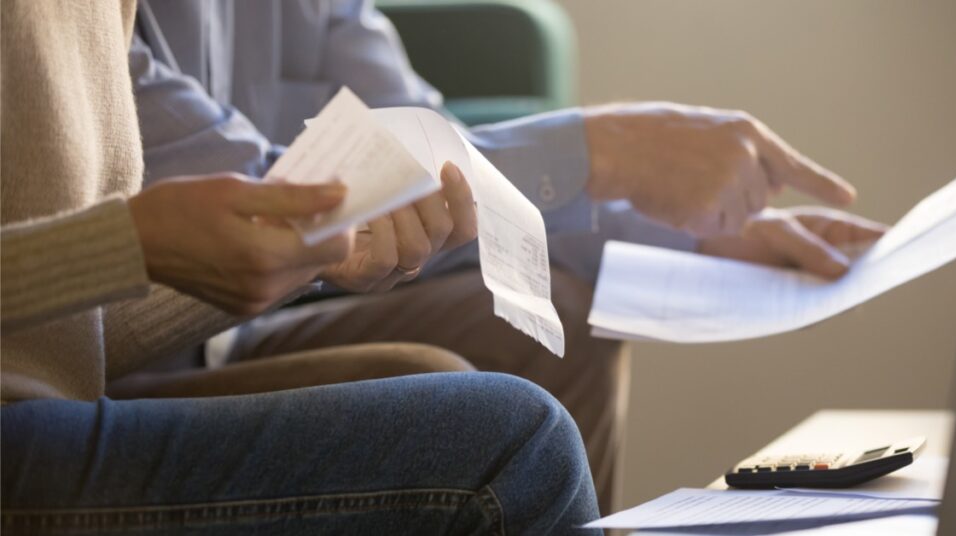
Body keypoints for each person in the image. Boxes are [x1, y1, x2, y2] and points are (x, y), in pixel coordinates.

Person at [124, 0, 889, 514]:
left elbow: (435, 172)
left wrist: (697, 233)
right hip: (114, 353)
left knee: (556, 320)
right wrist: (605, 150)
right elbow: (250, 204)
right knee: (457, 403)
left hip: (223, 337)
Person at [0, 1, 600, 532]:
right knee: (515, 443)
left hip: (59, 406)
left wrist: (305, 256)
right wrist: (127, 248)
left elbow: (68, 333)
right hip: (33, 430)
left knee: (466, 373)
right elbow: (128, 246)